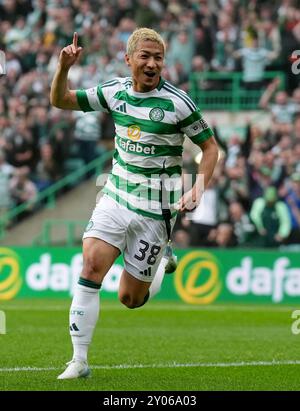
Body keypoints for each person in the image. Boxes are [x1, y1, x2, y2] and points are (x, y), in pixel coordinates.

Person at [50, 28, 218, 379]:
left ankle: (156, 269)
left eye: (158, 57)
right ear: (129, 60)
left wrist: (198, 187)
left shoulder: (178, 103)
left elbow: (210, 148)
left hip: (156, 210)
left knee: (130, 299)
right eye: (144, 56)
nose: (152, 63)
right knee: (91, 266)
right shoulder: (114, 91)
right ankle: (79, 360)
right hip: (115, 196)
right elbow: (61, 100)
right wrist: (63, 66)